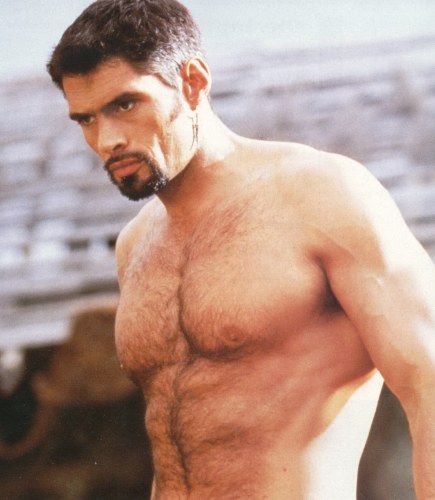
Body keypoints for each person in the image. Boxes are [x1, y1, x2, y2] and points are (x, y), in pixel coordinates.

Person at [47, 0, 435, 498]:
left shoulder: (321, 194)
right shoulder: (136, 245)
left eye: (125, 104)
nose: (107, 140)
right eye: (86, 119)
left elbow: (427, 381)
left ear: (193, 82)